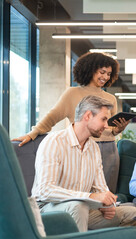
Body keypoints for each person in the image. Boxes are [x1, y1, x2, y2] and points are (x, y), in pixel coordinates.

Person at [12, 52, 128, 192]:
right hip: (79, 147)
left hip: (109, 149)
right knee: (79, 190)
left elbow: (109, 127)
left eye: (109, 74)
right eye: (102, 72)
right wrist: (32, 134)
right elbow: (52, 117)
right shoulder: (72, 93)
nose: (105, 77)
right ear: (90, 69)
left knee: (106, 192)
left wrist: (118, 129)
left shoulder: (110, 98)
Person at [31, 95, 136, 232]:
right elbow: (45, 191)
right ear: (88, 116)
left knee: (132, 213)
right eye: (103, 119)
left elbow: (101, 188)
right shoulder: (54, 142)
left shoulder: (94, 148)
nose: (107, 126)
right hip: (47, 210)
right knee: (78, 207)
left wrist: (107, 205)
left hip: (82, 208)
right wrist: (90, 196)